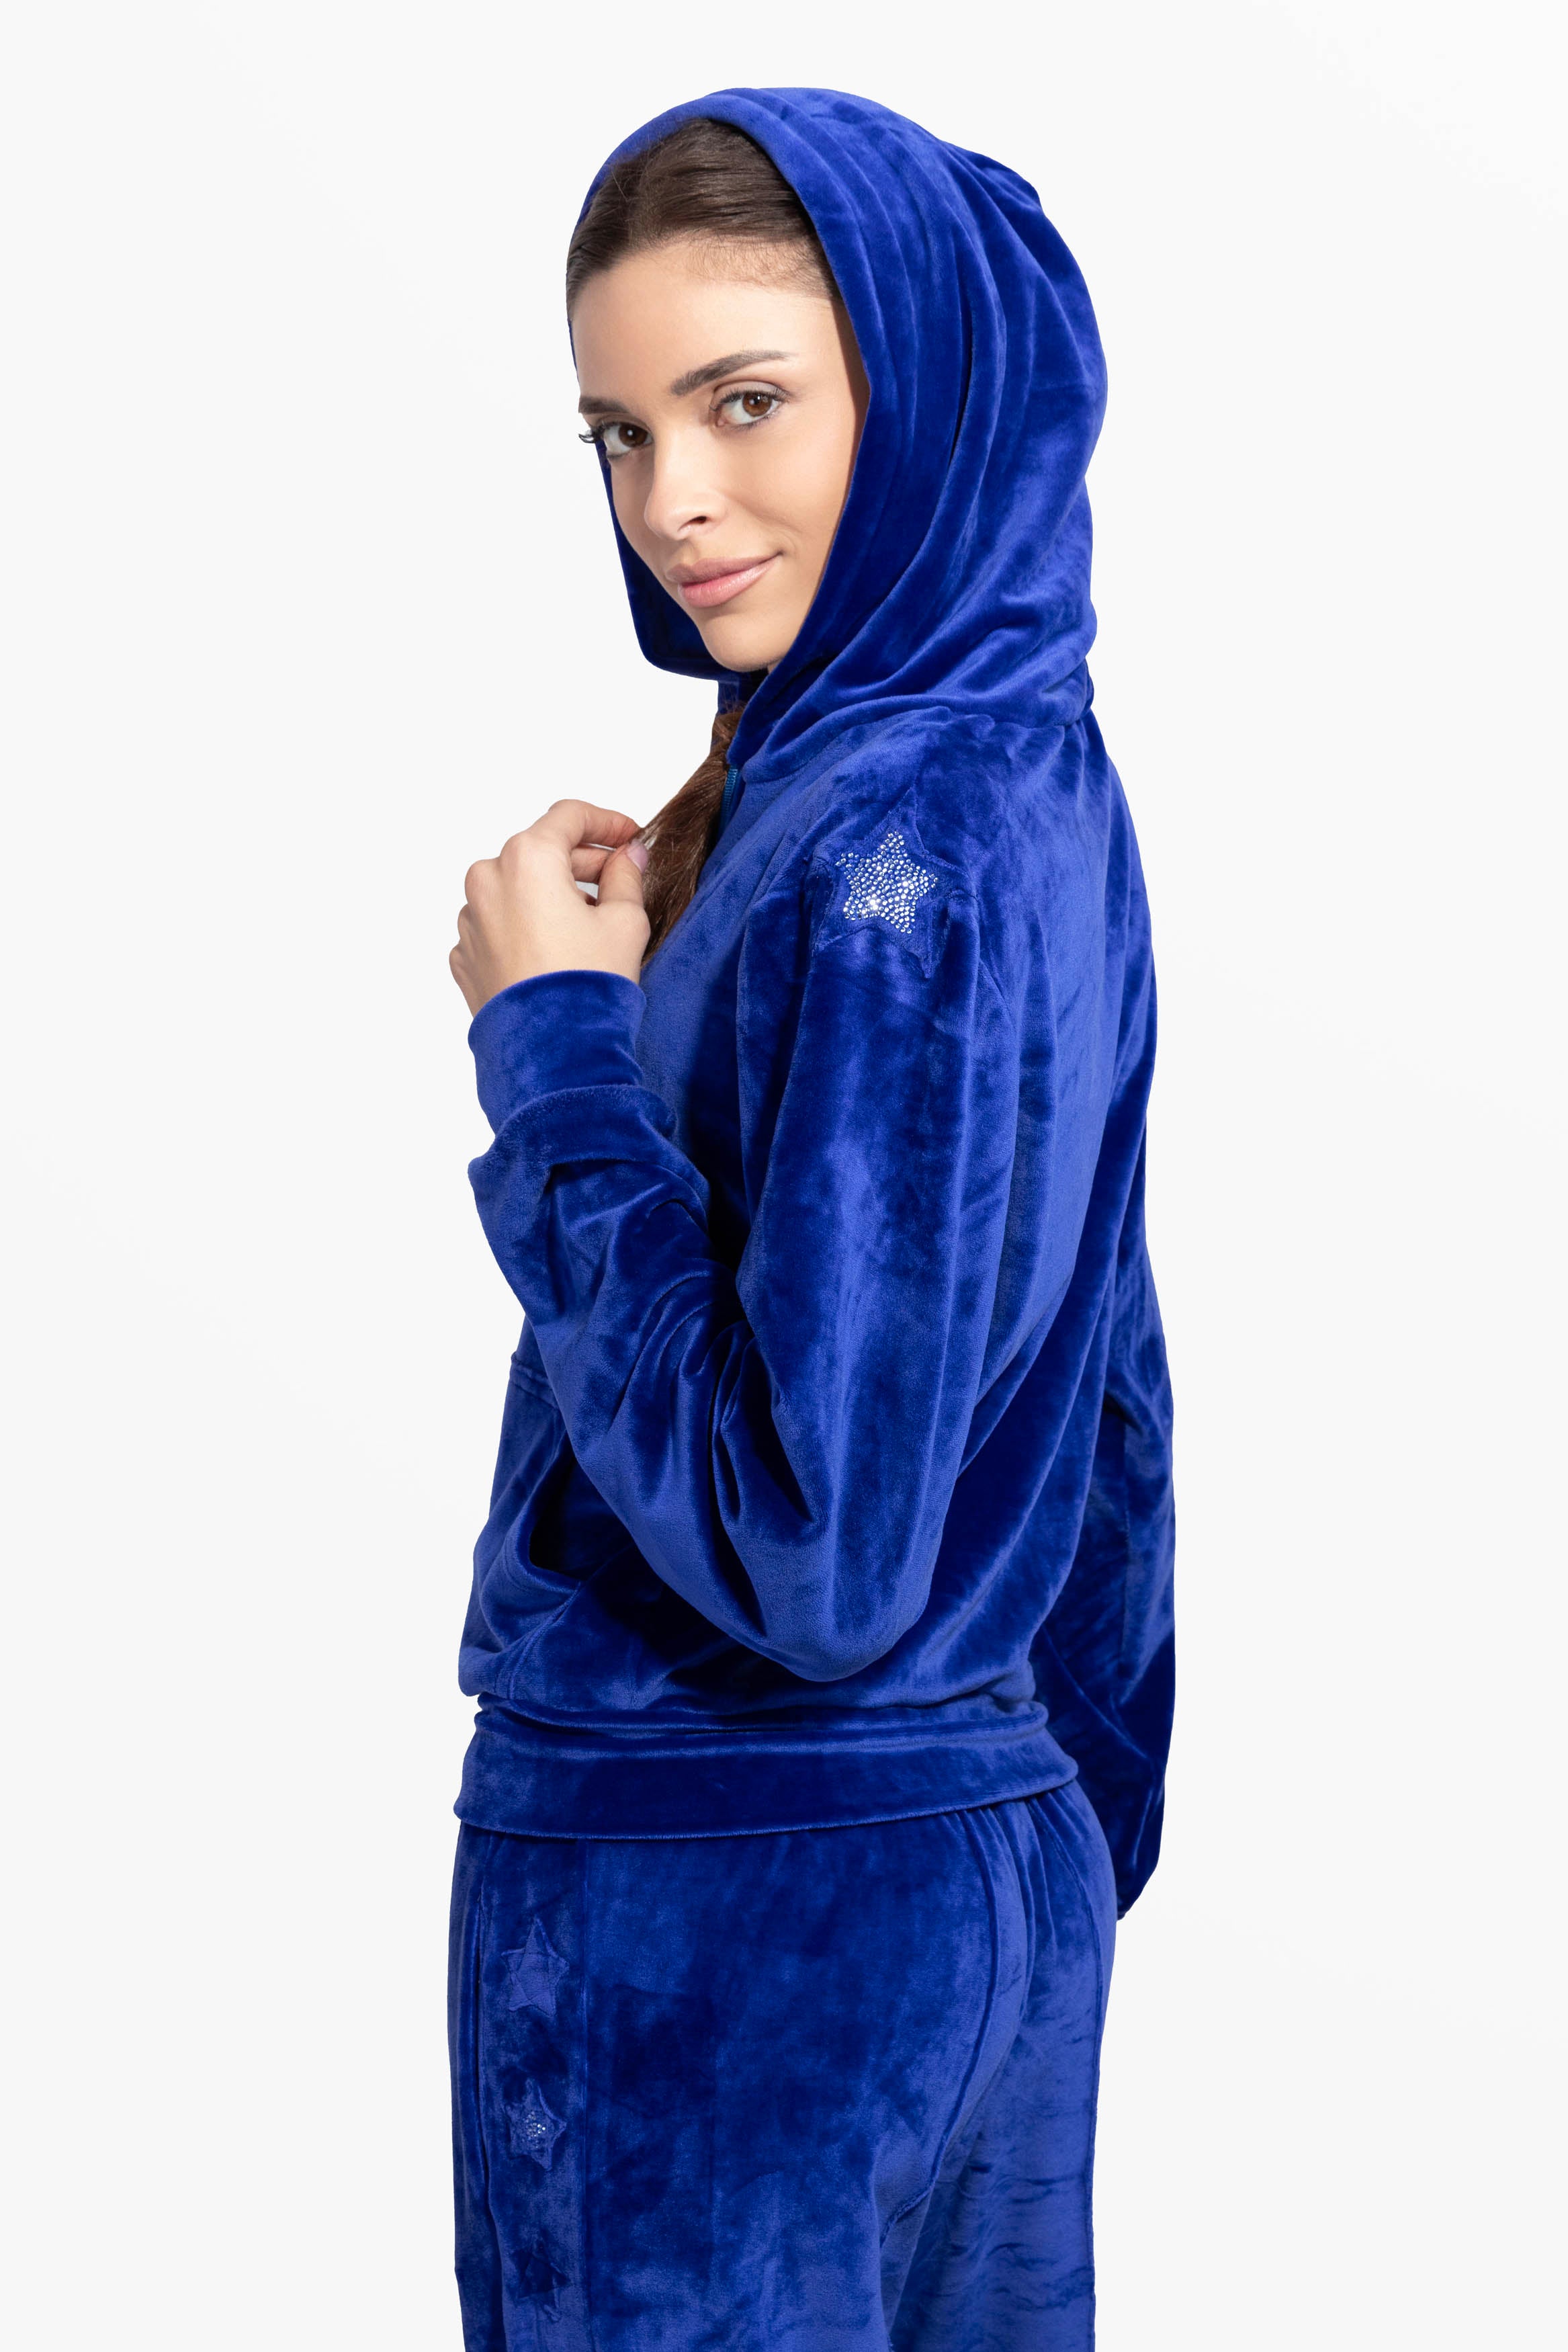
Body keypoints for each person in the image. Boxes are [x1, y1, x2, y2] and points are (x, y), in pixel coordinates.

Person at [445, 88, 1174, 2352]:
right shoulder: (1030, 769)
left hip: (717, 1893)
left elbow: (810, 1550)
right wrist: (1032, 1847)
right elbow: (1116, 1404)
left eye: (743, 401)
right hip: (980, 1855)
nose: (672, 498)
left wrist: (556, 1052)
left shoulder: (881, 841)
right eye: (620, 433)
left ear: (920, 382)